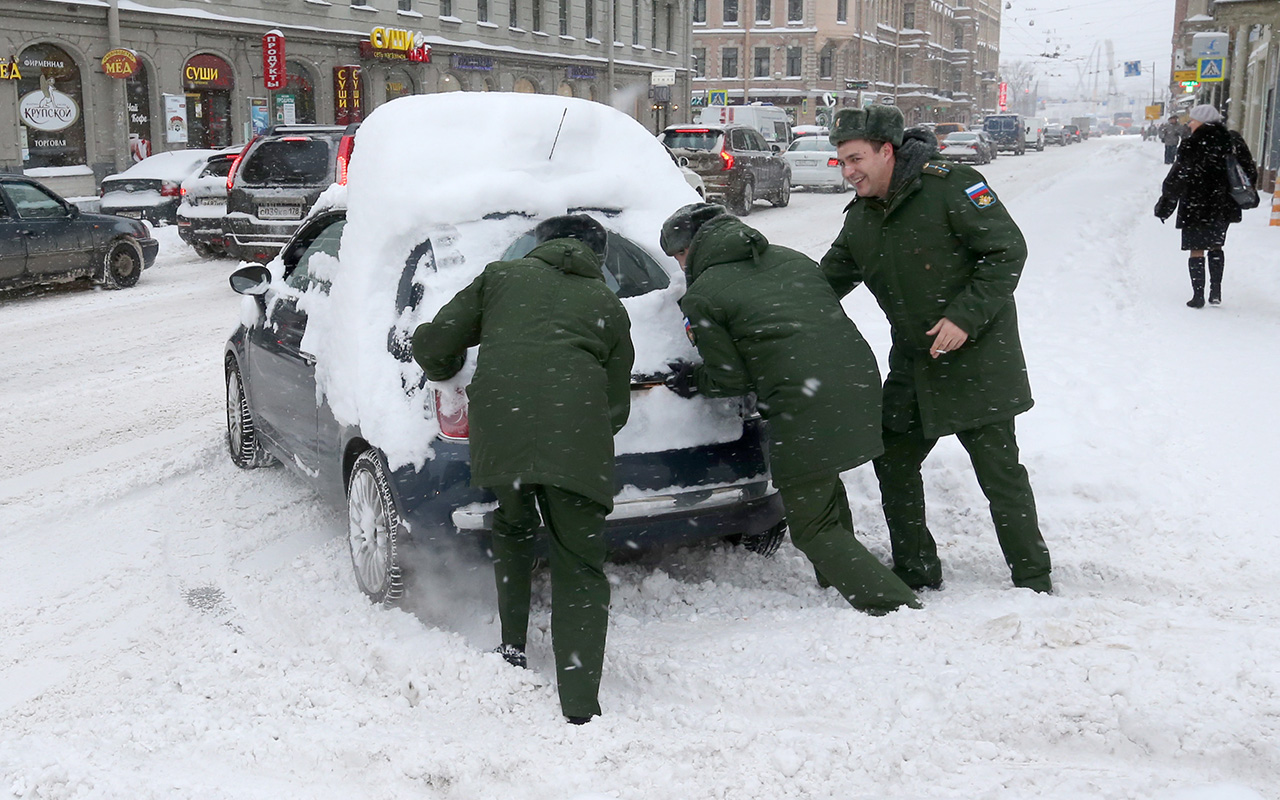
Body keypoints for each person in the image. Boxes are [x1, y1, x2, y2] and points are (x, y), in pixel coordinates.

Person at [819, 105, 1052, 594]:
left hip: (977, 362)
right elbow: (827, 281)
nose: (849, 171)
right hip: (913, 366)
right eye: (841, 162)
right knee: (894, 460)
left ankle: (1033, 578)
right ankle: (917, 569)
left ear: (886, 152)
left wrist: (965, 317)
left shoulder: (950, 186)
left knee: (1000, 474)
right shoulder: (862, 217)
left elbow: (1007, 250)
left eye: (856, 159)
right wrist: (764, 296)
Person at [411, 215, 634, 725]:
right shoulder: (607, 305)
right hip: (576, 437)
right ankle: (579, 703)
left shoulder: (499, 278)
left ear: (539, 245)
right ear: (597, 257)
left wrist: (438, 360)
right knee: (579, 562)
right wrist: (576, 433)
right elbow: (616, 406)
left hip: (504, 431)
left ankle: (512, 646)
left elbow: (436, 345)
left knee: (513, 526)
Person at [660, 203, 921, 615]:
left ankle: (893, 606)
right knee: (821, 484)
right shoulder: (790, 258)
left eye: (677, 256)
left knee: (811, 526)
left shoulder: (705, 294)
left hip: (804, 402)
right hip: (859, 382)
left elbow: (730, 378)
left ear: (691, 249)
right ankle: (837, 578)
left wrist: (695, 379)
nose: (679, 265)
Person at [1154, 104, 1257, 309]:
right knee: (1216, 245)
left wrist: (1166, 203)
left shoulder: (1191, 144)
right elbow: (1248, 170)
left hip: (1196, 203)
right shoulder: (1232, 139)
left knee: (1196, 249)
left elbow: (1178, 176)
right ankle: (1216, 291)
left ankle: (1198, 295)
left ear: (1202, 120)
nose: (1190, 123)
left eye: (1193, 120)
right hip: (1223, 203)